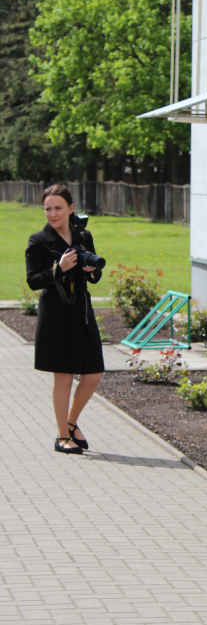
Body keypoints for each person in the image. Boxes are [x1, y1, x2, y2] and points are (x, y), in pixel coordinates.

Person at [25, 184, 105, 454]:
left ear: (71, 208)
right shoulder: (38, 241)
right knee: (64, 377)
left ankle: (71, 423)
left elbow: (94, 276)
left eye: (58, 208)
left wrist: (91, 270)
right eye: (47, 208)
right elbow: (33, 281)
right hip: (55, 314)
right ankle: (62, 437)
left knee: (93, 374)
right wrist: (58, 269)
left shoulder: (83, 236)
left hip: (81, 312)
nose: (52, 213)